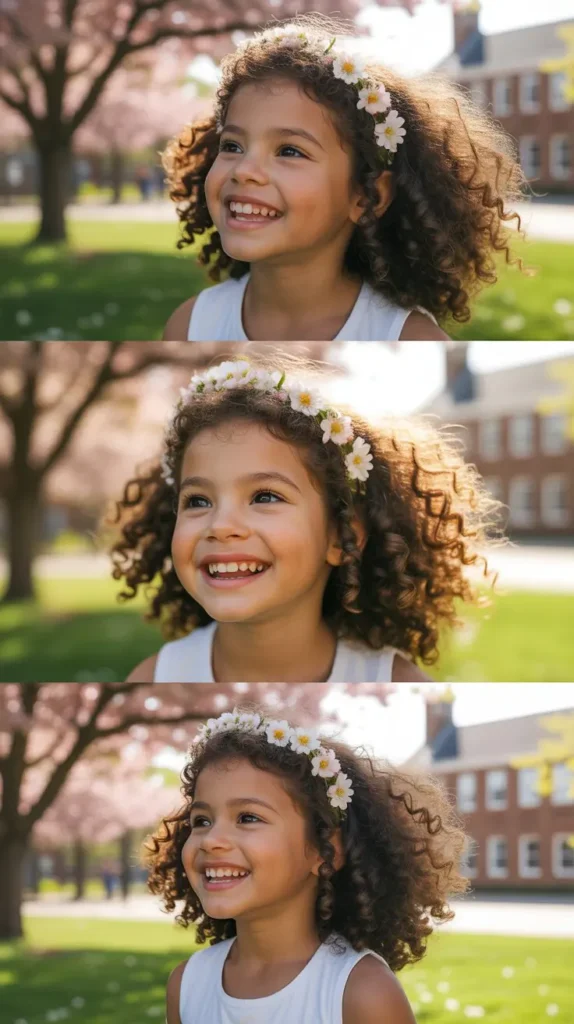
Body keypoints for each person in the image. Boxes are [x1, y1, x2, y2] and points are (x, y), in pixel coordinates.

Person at [111, 351, 502, 683]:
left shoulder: (391, 679)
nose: (221, 526)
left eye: (264, 496)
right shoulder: (155, 677)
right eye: (197, 501)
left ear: (341, 536)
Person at [161, 14, 526, 344]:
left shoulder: (409, 338)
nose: (243, 171)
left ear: (367, 198)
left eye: (290, 151)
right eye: (233, 145)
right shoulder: (190, 325)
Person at [144, 705, 469, 1024]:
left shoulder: (361, 995)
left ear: (325, 851)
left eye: (247, 817)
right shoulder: (186, 985)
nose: (211, 839)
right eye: (201, 820)